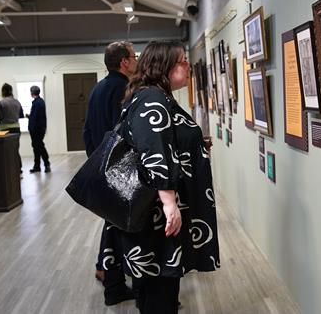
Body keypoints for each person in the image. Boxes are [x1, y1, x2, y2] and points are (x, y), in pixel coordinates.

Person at [119, 40, 220, 313]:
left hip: (154, 214)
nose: (188, 65)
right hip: (156, 216)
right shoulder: (152, 98)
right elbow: (154, 153)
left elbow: (163, 140)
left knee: (156, 289)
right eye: (182, 61)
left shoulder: (151, 95)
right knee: (160, 292)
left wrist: (195, 144)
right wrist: (169, 204)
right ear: (163, 66)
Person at [83, 41, 137, 306]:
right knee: (120, 223)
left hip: (104, 167)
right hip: (120, 170)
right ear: (124, 62)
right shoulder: (122, 89)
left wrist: (96, 161)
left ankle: (107, 273)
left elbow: (86, 131)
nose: (137, 60)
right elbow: (126, 131)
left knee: (113, 222)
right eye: (134, 56)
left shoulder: (98, 88)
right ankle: (115, 282)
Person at [0, 83, 24, 173]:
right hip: (16, 128)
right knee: (15, 149)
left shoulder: (1, 102)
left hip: (4, 129)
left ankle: (8, 169)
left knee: (6, 151)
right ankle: (18, 168)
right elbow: (21, 115)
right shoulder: (17, 102)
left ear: (3, 91)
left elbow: (0, 116)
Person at [27, 85, 50, 173]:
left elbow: (35, 117)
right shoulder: (40, 102)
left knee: (39, 146)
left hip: (36, 129)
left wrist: (31, 127)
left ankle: (46, 164)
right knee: (36, 147)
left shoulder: (37, 103)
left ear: (32, 93)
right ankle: (37, 166)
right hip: (39, 128)